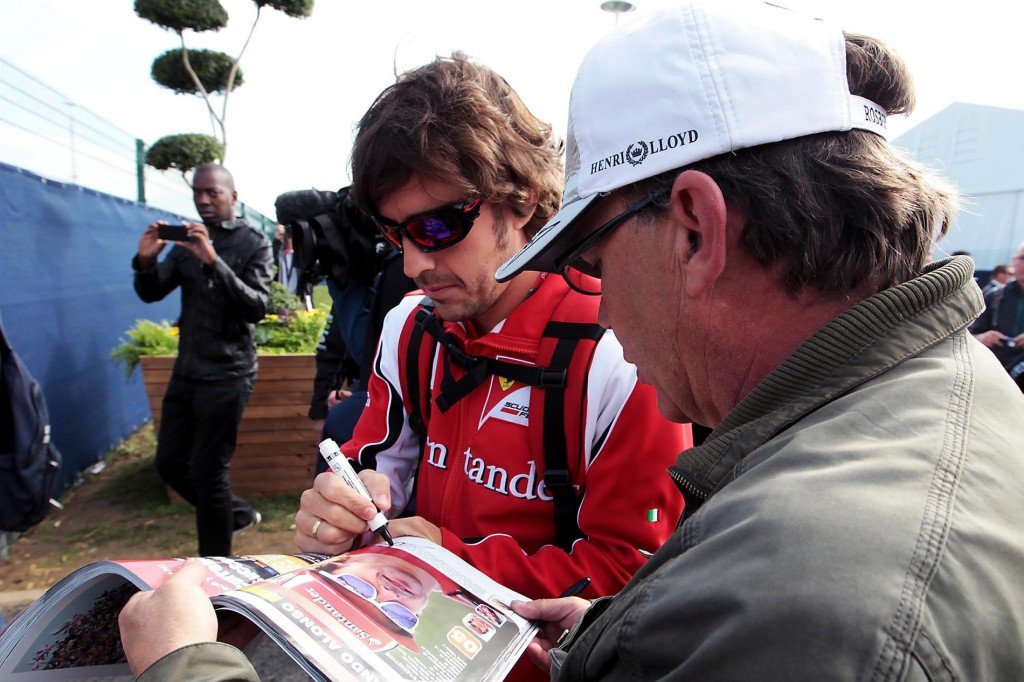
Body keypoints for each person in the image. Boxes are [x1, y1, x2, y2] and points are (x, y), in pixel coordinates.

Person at [496, 3, 1024, 679]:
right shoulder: (943, 382)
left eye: (593, 262)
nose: (604, 312)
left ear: (695, 229)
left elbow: (808, 617)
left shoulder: (798, 605)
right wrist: (628, 635)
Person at [118, 53, 687, 679]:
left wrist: (445, 556)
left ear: (521, 200)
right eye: (395, 235)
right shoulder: (411, 326)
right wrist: (339, 514)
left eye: (438, 227)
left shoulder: (616, 346)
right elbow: (370, 480)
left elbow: (631, 576)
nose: (414, 264)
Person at [132, 163, 272, 557]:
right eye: (198, 192)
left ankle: (213, 568)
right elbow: (152, 292)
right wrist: (145, 261)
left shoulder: (253, 242)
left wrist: (213, 261)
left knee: (210, 472)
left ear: (233, 196)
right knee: (171, 463)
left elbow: (257, 306)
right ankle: (237, 513)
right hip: (189, 368)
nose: (204, 199)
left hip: (228, 373)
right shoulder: (186, 242)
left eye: (213, 192)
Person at [971, 243, 1024, 387]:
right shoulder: (995, 295)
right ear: (1014, 261)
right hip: (997, 376)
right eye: (1023, 258)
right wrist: (983, 337)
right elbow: (968, 336)